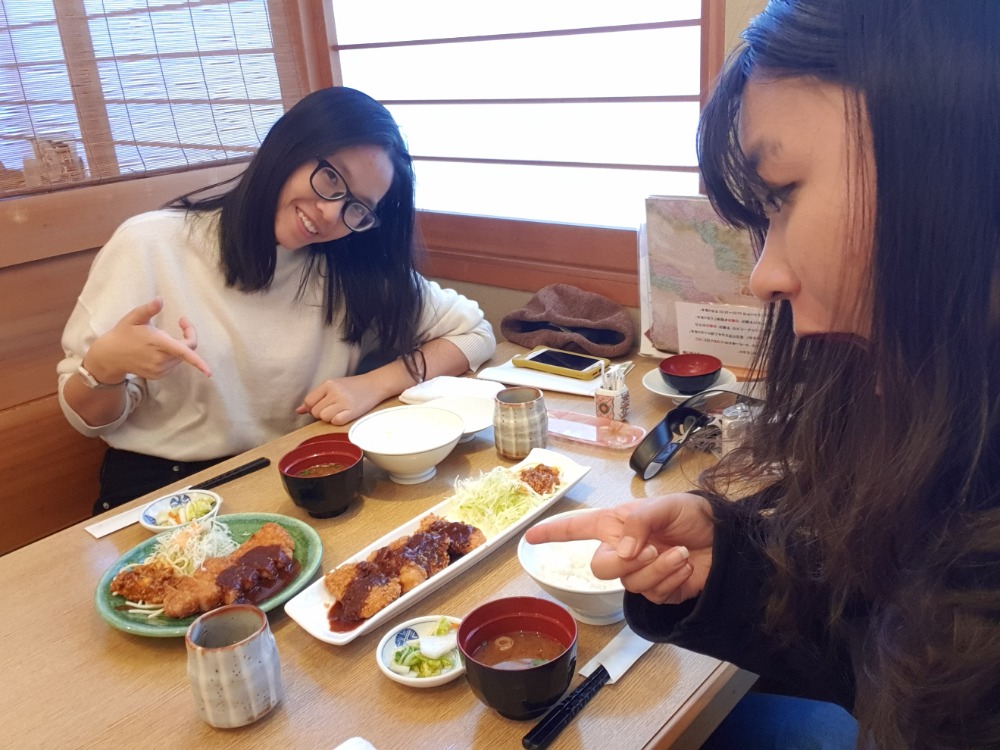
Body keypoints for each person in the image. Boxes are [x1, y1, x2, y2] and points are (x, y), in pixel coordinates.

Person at [526, 1, 1000, 747]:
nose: (764, 276)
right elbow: (892, 643)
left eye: (783, 193)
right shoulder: (958, 441)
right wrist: (733, 569)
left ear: (960, 152)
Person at [58, 87, 496, 514]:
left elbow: (474, 335)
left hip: (295, 476)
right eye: (331, 178)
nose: (330, 212)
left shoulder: (350, 267)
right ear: (290, 145)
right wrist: (106, 368)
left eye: (357, 207)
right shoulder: (150, 244)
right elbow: (88, 420)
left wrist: (373, 384)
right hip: (163, 492)